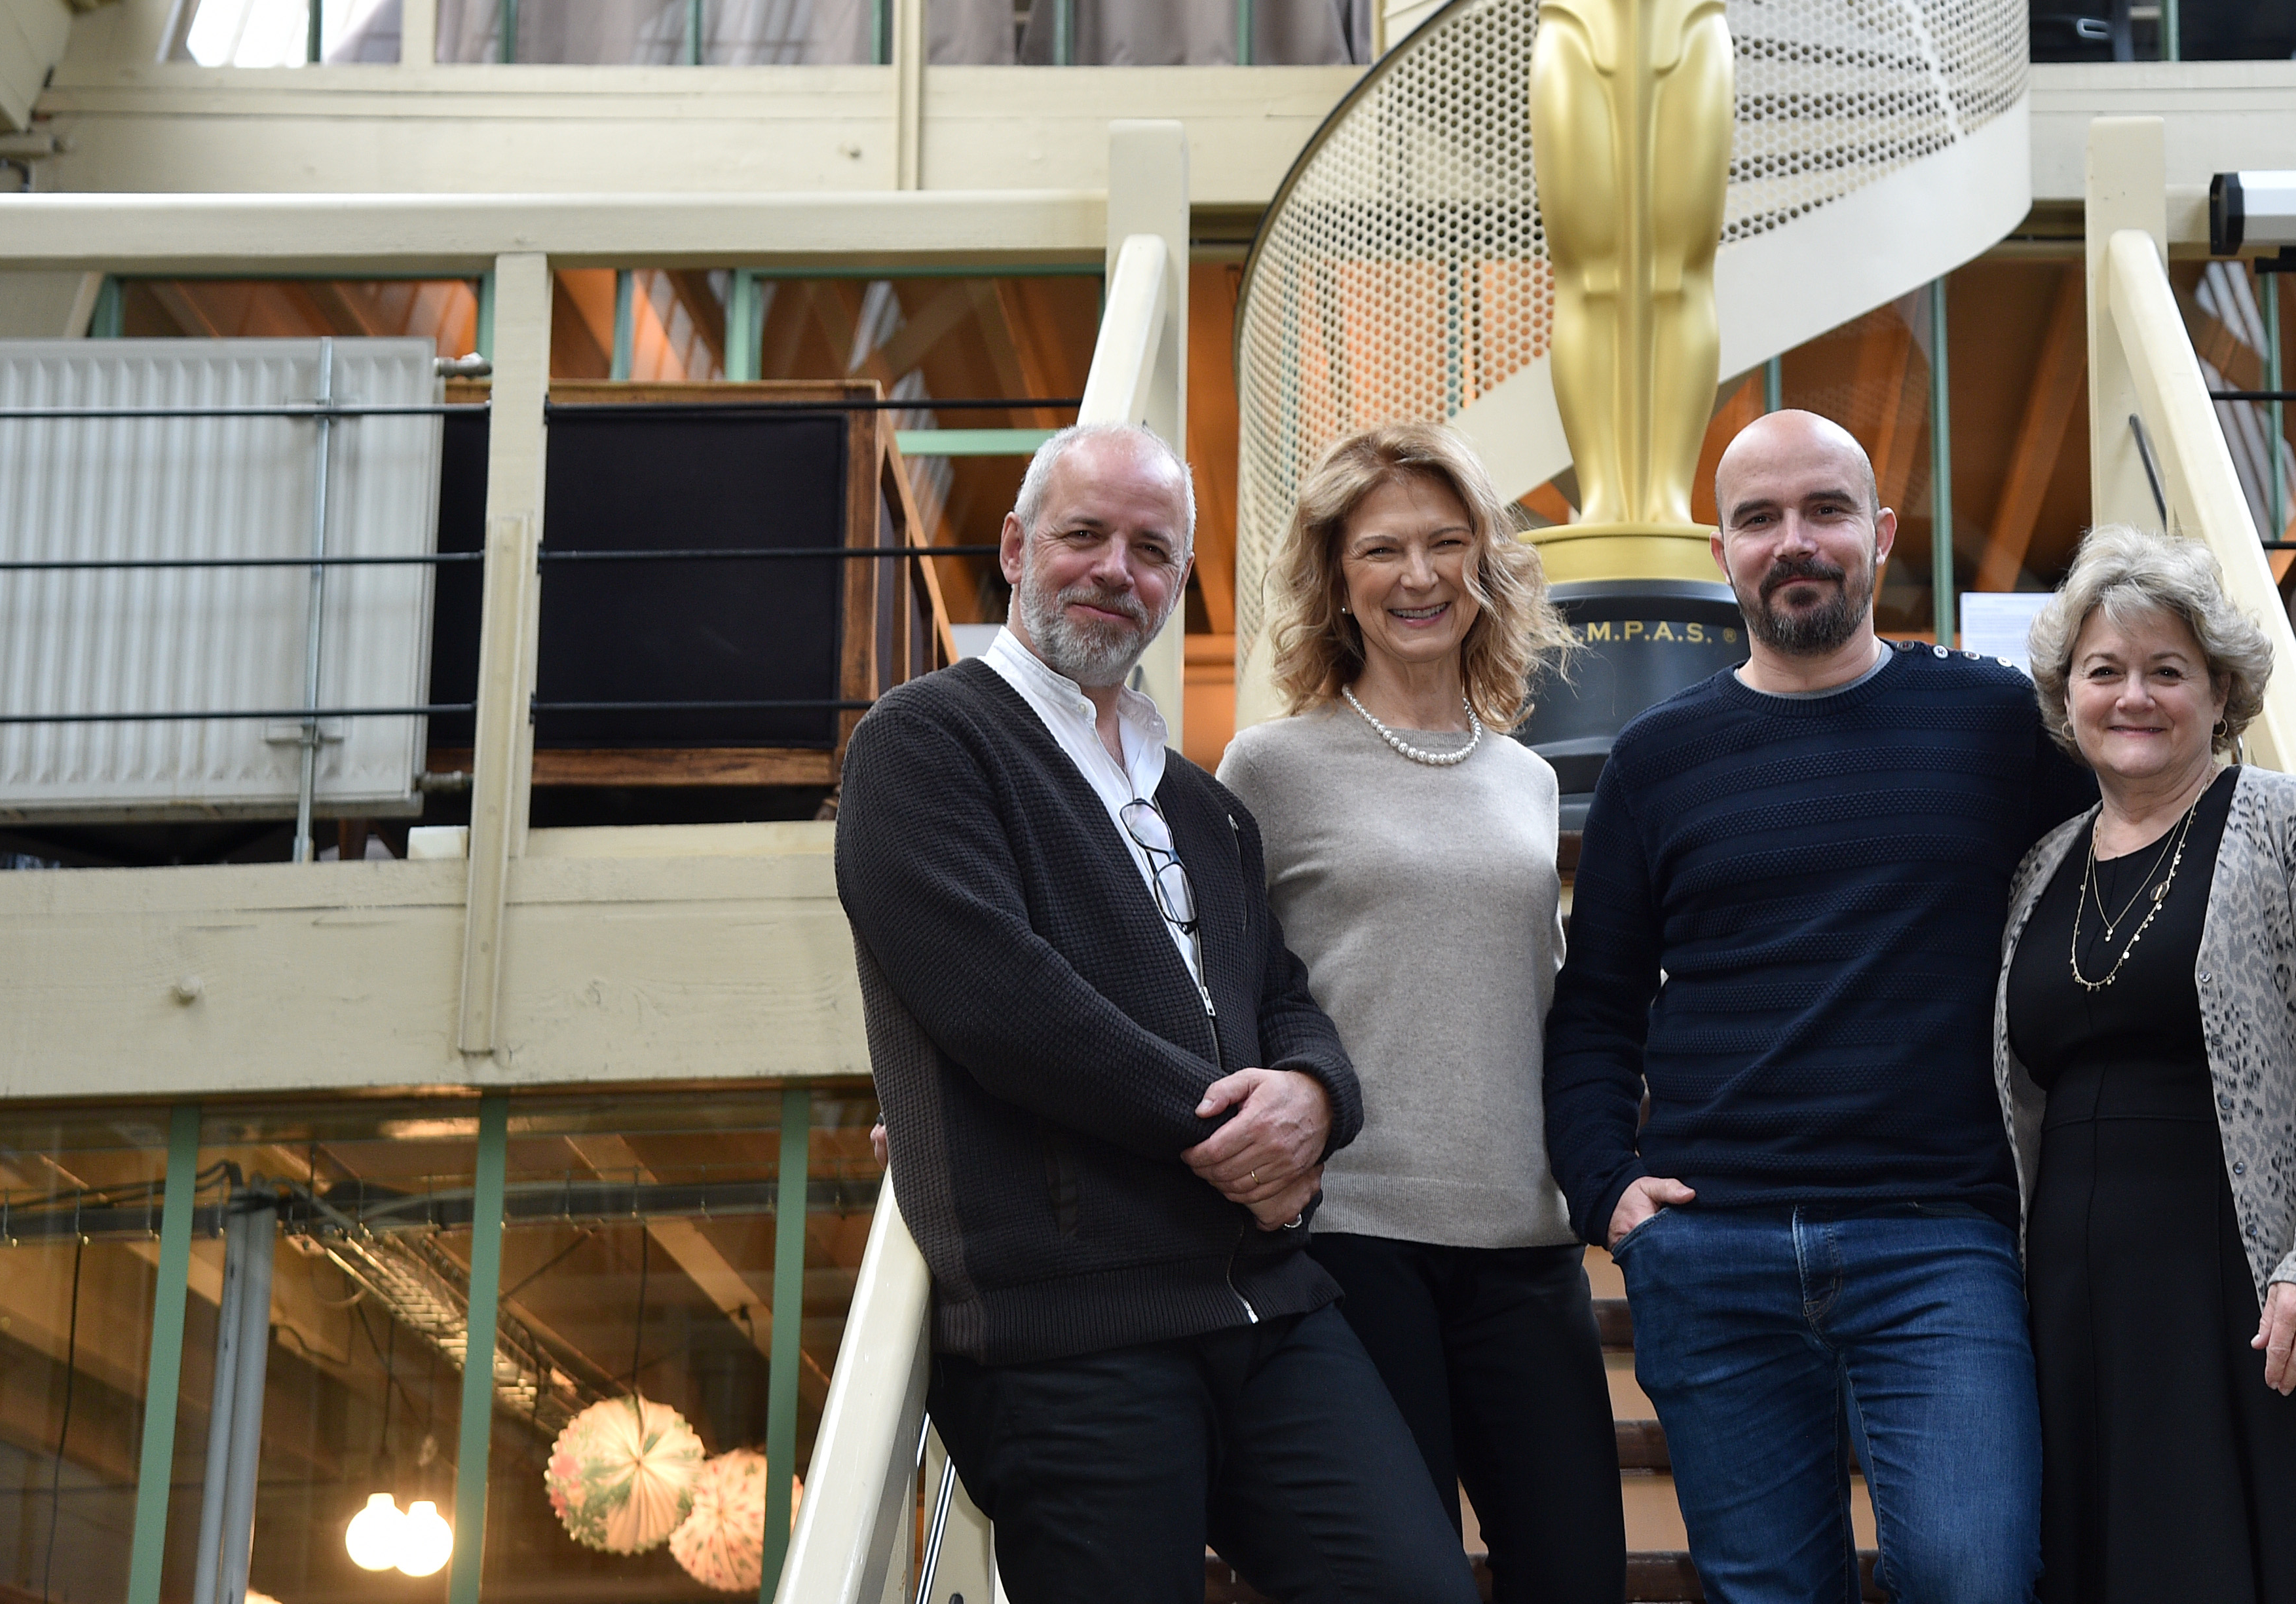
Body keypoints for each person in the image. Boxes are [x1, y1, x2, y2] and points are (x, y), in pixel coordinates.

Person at [834, 420, 1477, 1604]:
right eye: (1084, 535)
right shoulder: (923, 743)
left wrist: (1316, 1099)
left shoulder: (1204, 804)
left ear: (1179, 582)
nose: (1115, 571)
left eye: (1151, 551)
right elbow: (1003, 1002)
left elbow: (1282, 996)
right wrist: (1237, 1141)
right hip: (1070, 1331)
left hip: (1270, 1307)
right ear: (1017, 548)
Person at [1541, 409, 2093, 1604]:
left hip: (1938, 1239)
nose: (1795, 541)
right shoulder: (1657, 760)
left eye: (1826, 511)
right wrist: (1608, 1192)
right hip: (1712, 1247)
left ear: (1881, 534)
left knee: (1973, 1577)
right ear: (1723, 554)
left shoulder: (1997, 723)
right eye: (1760, 519)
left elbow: (2156, 855)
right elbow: (1596, 1009)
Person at [1995, 527, 2296, 1604]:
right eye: (2105, 672)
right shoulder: (2040, 868)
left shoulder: (2295, 825)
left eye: (2168, 671)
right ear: (2068, 696)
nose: (2134, 697)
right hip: (2078, 1305)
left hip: (2256, 1293)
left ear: (2221, 692)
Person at [1217, 424, 1623, 1604]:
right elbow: (1216, 991)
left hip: (1527, 1243)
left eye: (1447, 543)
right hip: (1350, 1242)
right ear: (1337, 579)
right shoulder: (1269, 767)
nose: (1418, 576)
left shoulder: (1528, 780)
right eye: (1382, 550)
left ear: (1485, 563)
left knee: (1580, 1579)